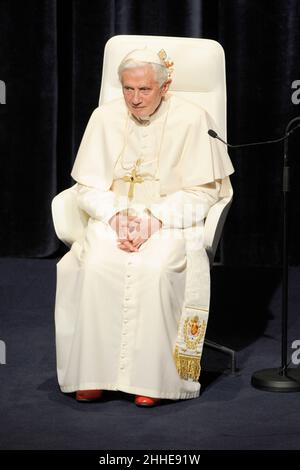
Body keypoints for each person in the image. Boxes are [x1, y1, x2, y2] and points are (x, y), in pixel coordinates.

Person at [54, 47, 234, 407]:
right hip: (115, 216)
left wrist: (155, 219)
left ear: (164, 87)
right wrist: (117, 217)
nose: (134, 99)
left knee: (155, 268)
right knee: (96, 264)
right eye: (127, 89)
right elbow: (87, 187)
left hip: (171, 220)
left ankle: (153, 381)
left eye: (144, 90)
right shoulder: (104, 117)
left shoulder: (194, 118)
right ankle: (92, 374)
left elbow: (205, 190)